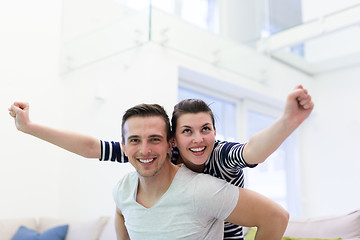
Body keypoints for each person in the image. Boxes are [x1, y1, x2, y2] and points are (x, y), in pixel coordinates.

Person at [8, 84, 313, 239]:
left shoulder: (218, 157)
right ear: (175, 140)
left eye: (205, 130)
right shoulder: (151, 161)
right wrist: (30, 128)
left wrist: (287, 121)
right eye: (187, 132)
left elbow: (253, 152)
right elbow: (91, 147)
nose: (197, 140)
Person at [113, 103, 289, 239]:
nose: (145, 150)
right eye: (135, 140)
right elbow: (121, 211)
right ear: (125, 147)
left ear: (169, 143)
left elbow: (276, 217)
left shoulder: (207, 183)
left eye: (155, 139)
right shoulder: (123, 188)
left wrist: (288, 120)